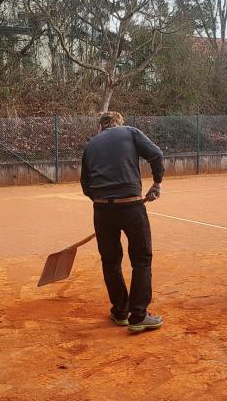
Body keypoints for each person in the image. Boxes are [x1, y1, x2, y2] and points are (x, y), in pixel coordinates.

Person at [80, 111, 164, 333]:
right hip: (131, 207)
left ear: (101, 127)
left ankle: (120, 312)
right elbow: (156, 154)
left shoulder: (91, 145)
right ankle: (138, 316)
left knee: (110, 261)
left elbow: (86, 185)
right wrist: (157, 183)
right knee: (141, 259)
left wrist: (104, 201)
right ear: (119, 123)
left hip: (102, 210)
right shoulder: (130, 132)